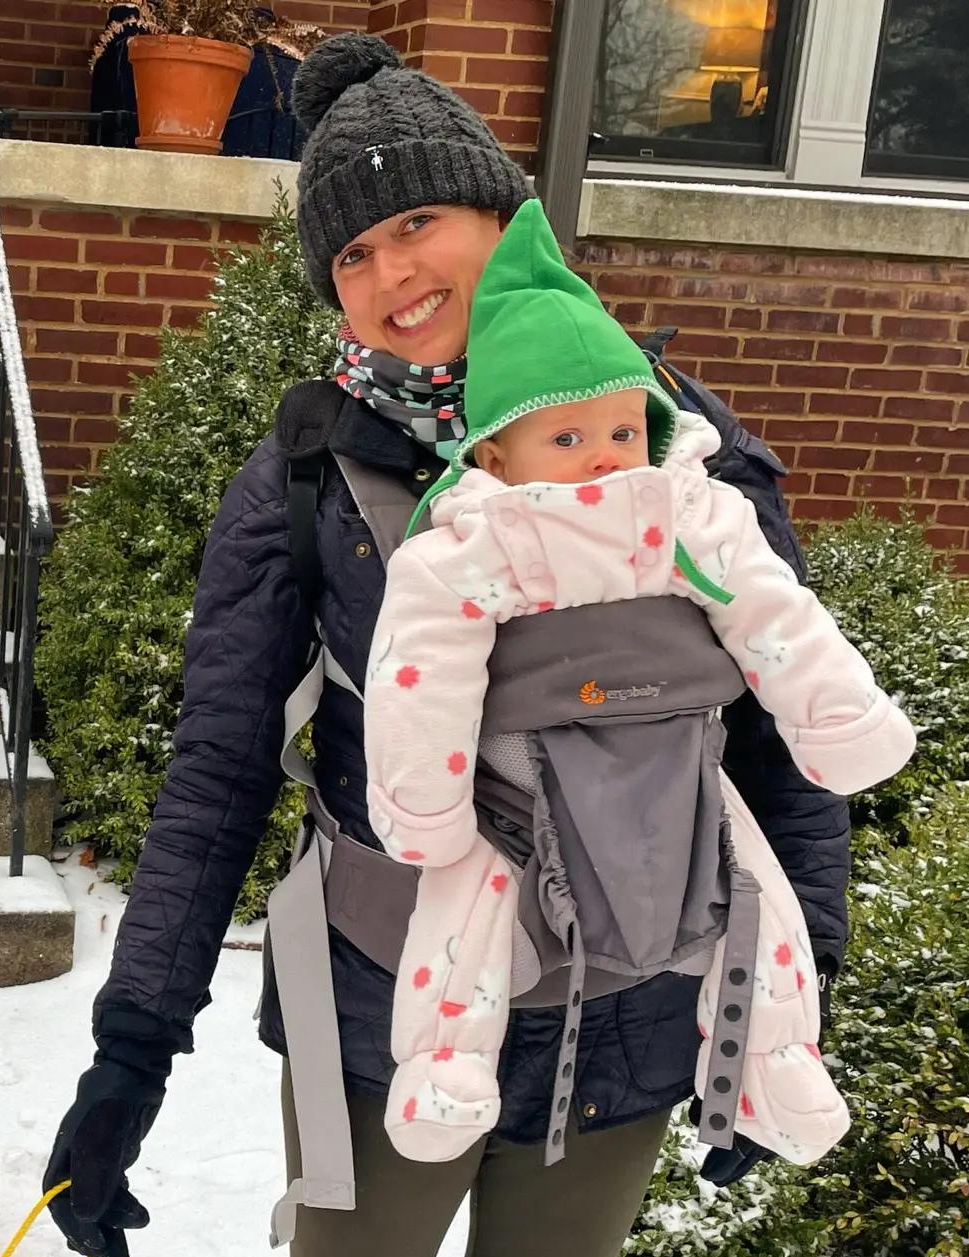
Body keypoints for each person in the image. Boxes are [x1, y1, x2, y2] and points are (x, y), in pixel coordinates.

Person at [43, 33, 853, 1257]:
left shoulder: (674, 439)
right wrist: (130, 1050)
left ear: (509, 216)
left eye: (424, 224)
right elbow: (211, 769)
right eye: (354, 250)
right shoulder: (314, 470)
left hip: (622, 1014)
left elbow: (784, 735)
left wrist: (801, 992)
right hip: (377, 1004)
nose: (398, 272)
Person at [367, 200, 916, 1164]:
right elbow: (423, 669)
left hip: (680, 770)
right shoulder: (480, 535)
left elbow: (771, 611)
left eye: (623, 431)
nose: (603, 462)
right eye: (567, 441)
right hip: (515, 789)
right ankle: (444, 1068)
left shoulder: (684, 508)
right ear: (493, 455)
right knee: (464, 909)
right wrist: (427, 800)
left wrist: (836, 715)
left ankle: (773, 1064)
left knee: (757, 894)